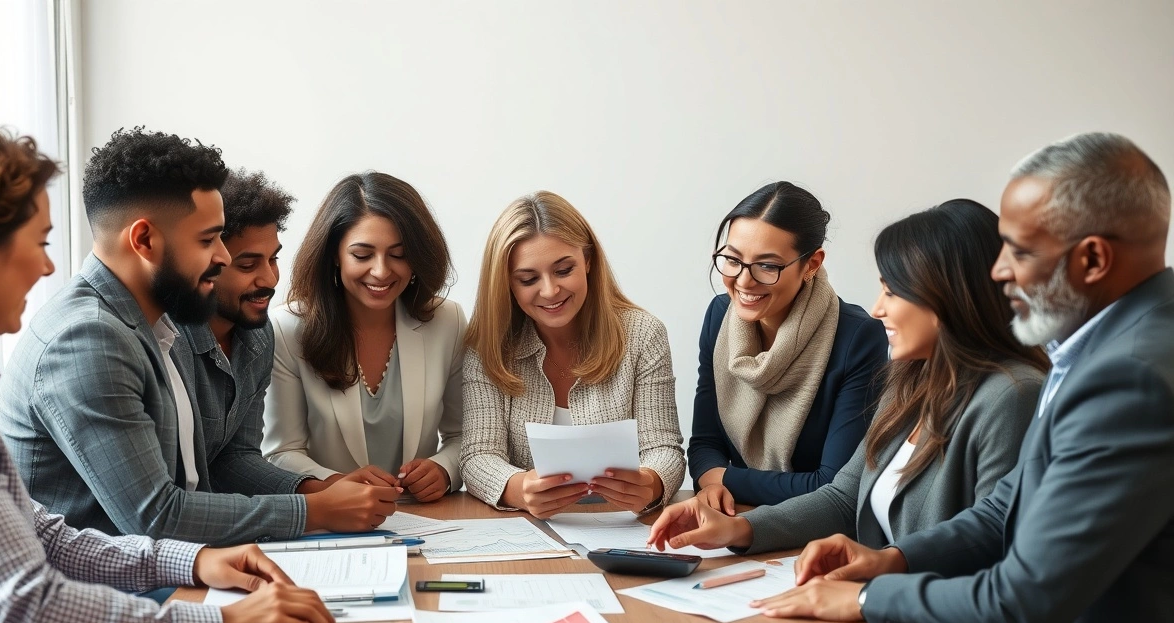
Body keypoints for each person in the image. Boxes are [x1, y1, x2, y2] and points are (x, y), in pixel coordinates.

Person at [0, 117, 336, 623]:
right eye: (40, 243)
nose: (47, 269)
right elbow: (30, 607)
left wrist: (192, 561)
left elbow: (43, 535)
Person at [744, 133, 1174, 623]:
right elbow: (1004, 509)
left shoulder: (1130, 375)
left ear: (1093, 260)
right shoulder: (1102, 346)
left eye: (1019, 251)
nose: (999, 270)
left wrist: (867, 597)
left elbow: (1022, 600)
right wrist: (892, 559)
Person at [0, 128, 396, 548]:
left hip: (164, 562)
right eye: (208, 240)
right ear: (144, 240)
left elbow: (220, 462)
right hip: (97, 580)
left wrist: (316, 493)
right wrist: (314, 511)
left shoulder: (153, 324)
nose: (221, 256)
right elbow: (155, 516)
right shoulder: (88, 340)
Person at [648, 199, 1047, 555]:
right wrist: (739, 530)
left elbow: (991, 542)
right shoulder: (911, 380)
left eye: (893, 292)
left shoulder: (1012, 395)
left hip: (914, 605)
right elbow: (843, 498)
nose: (877, 309)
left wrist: (881, 574)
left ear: (952, 297)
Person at [174, 169, 398, 530]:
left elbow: (234, 458)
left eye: (273, 259)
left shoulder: (258, 335)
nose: (270, 279)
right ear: (207, 261)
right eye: (248, 265)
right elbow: (163, 503)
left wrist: (324, 489)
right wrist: (315, 509)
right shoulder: (168, 342)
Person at [460, 191, 684, 518]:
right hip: (528, 528)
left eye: (564, 270)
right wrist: (519, 489)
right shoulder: (488, 347)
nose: (550, 291)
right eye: (528, 279)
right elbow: (478, 456)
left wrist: (651, 483)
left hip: (623, 525)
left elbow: (664, 448)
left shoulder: (643, 334)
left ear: (588, 261)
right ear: (507, 283)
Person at [263, 172, 464, 503]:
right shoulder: (287, 328)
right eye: (362, 255)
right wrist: (337, 485)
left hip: (428, 516)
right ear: (334, 255)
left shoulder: (448, 321)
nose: (381, 271)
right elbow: (281, 451)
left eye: (399, 254)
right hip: (334, 516)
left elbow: (464, 436)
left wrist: (444, 470)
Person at [689, 182, 887, 509]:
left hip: (815, 528)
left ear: (812, 264)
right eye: (733, 260)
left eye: (767, 265)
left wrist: (723, 479)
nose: (744, 281)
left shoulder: (858, 338)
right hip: (730, 515)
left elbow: (833, 486)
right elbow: (705, 444)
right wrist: (712, 478)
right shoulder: (719, 316)